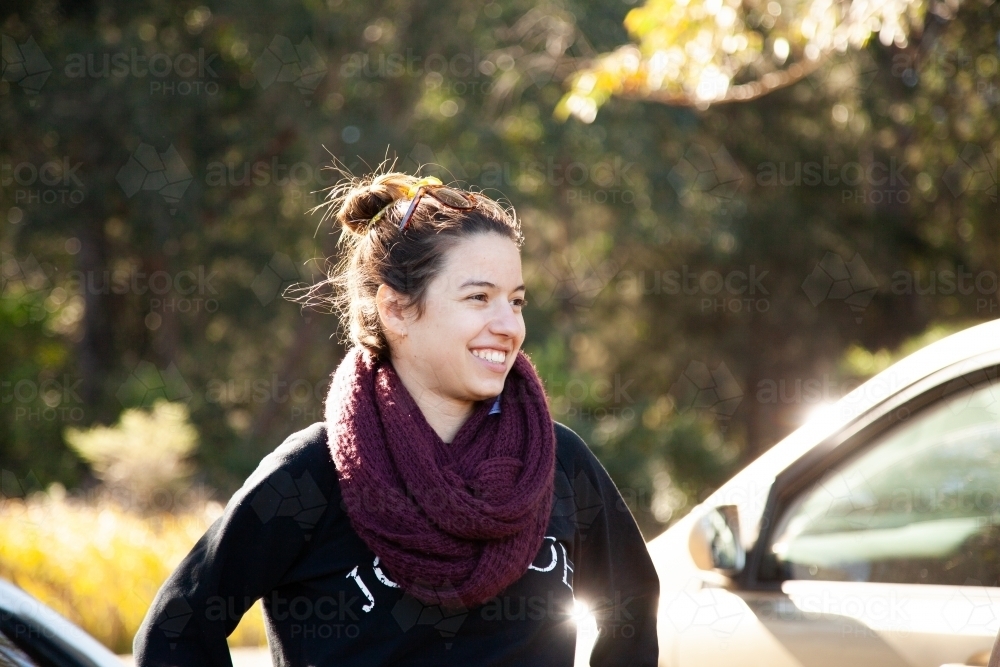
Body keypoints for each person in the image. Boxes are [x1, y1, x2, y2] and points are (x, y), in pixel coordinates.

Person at [133, 170, 660, 666]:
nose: (508, 325)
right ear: (396, 309)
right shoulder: (313, 476)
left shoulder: (557, 462)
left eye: (517, 301)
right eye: (479, 297)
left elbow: (632, 604)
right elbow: (176, 630)